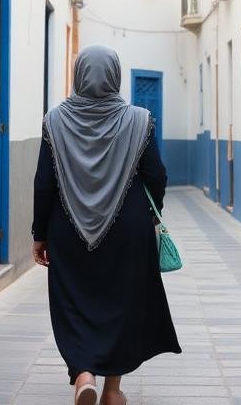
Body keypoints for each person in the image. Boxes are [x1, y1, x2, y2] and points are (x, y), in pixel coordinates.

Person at [32, 45, 182, 405]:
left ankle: (84, 376)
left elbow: (44, 184)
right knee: (121, 304)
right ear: (115, 76)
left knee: (74, 302)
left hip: (68, 230)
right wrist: (151, 214)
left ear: (78, 75)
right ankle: (112, 392)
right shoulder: (139, 119)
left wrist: (40, 234)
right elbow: (156, 175)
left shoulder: (55, 120)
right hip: (127, 230)